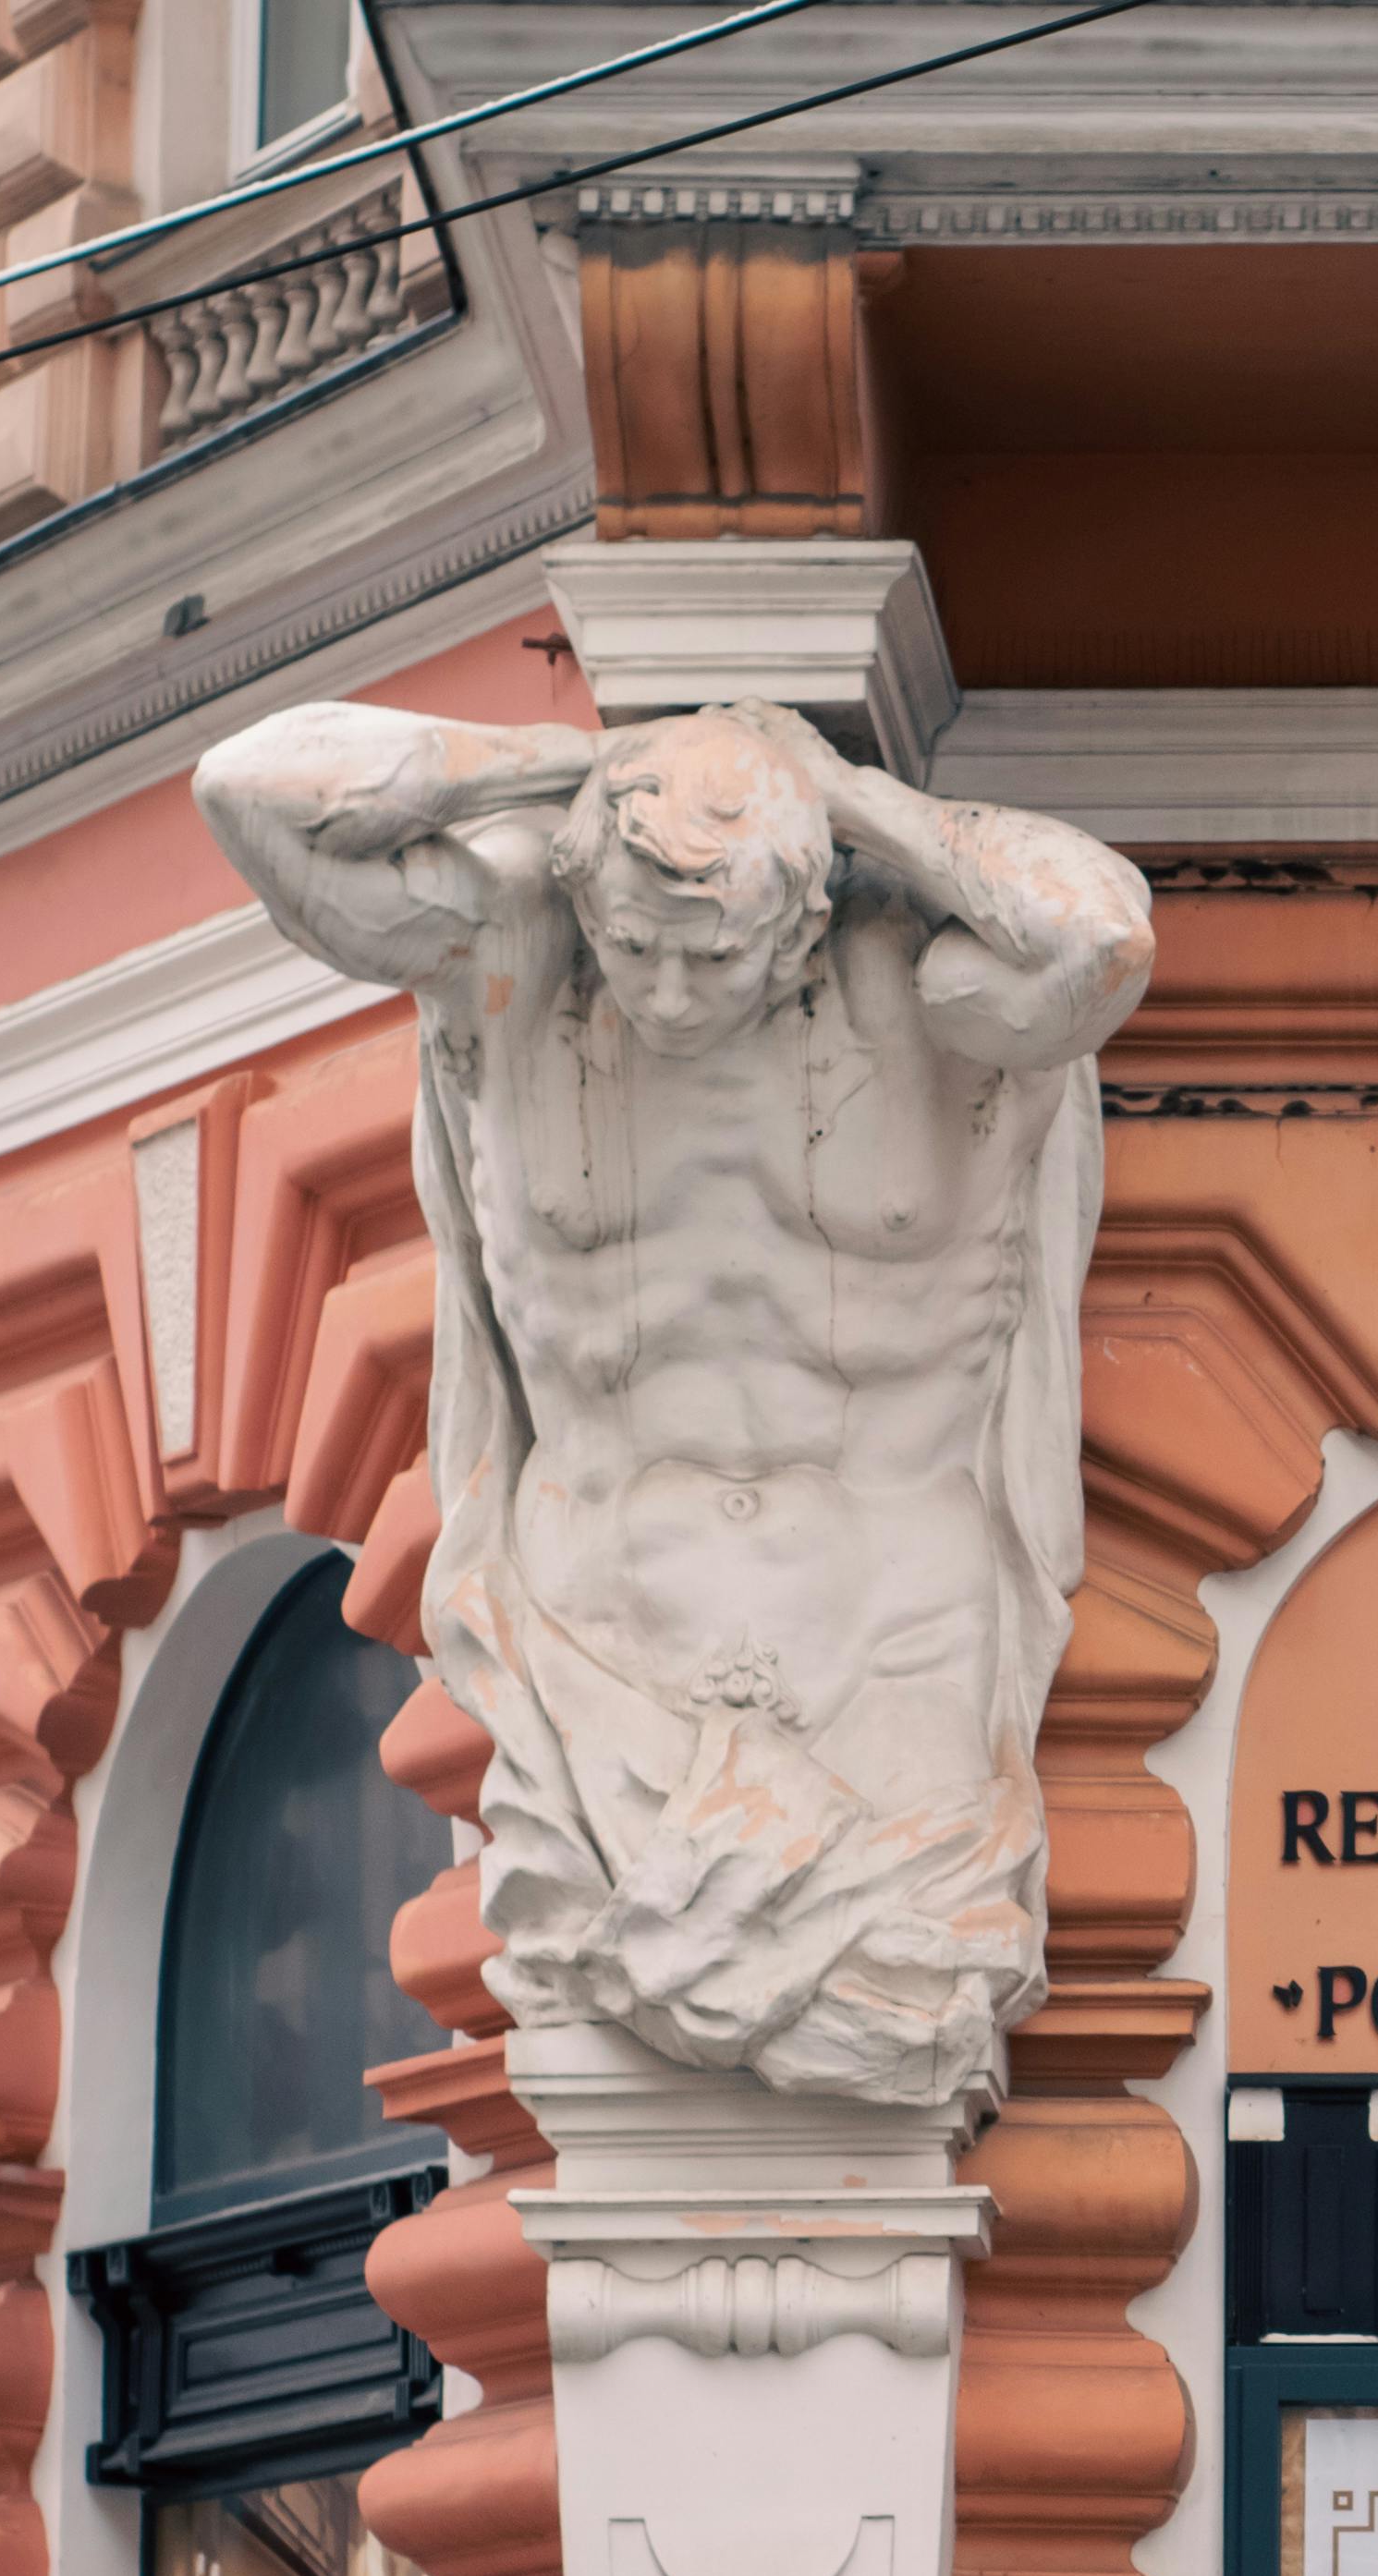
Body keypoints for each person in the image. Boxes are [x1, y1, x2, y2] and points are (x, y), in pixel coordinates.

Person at [193, 700, 1151, 2108]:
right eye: (635, 945)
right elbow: (248, 790)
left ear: (799, 916)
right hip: (598, 1683)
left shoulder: (928, 998)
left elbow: (1102, 943)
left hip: (888, 1668)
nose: (665, 990)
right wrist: (581, 768)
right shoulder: (517, 950)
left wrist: (843, 801)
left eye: (709, 953)